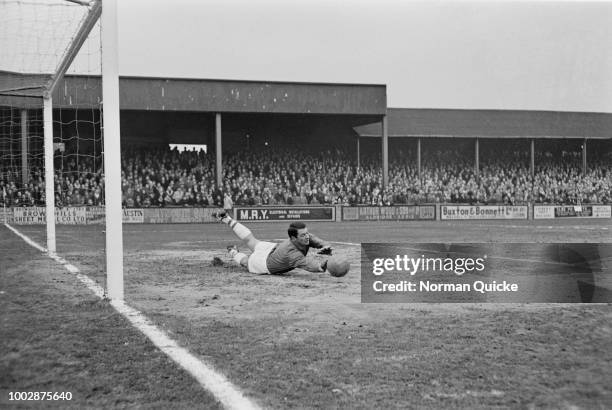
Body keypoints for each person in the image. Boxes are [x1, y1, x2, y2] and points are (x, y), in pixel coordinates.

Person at [212, 211, 333, 274]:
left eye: (307, 233)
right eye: (303, 235)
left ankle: (226, 218)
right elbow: (308, 264)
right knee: (246, 262)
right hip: (265, 264)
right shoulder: (292, 254)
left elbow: (314, 239)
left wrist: (324, 246)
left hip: (272, 249)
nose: (307, 237)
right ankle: (233, 251)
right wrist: (321, 267)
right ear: (293, 238)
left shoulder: (304, 236)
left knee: (251, 240)